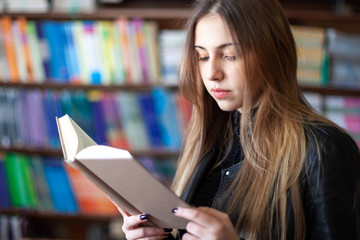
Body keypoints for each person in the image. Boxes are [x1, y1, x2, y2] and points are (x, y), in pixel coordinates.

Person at [115, 0, 360, 239]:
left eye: (230, 55)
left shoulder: (325, 149)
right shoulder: (208, 138)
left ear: (273, 55)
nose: (211, 74)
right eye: (202, 57)